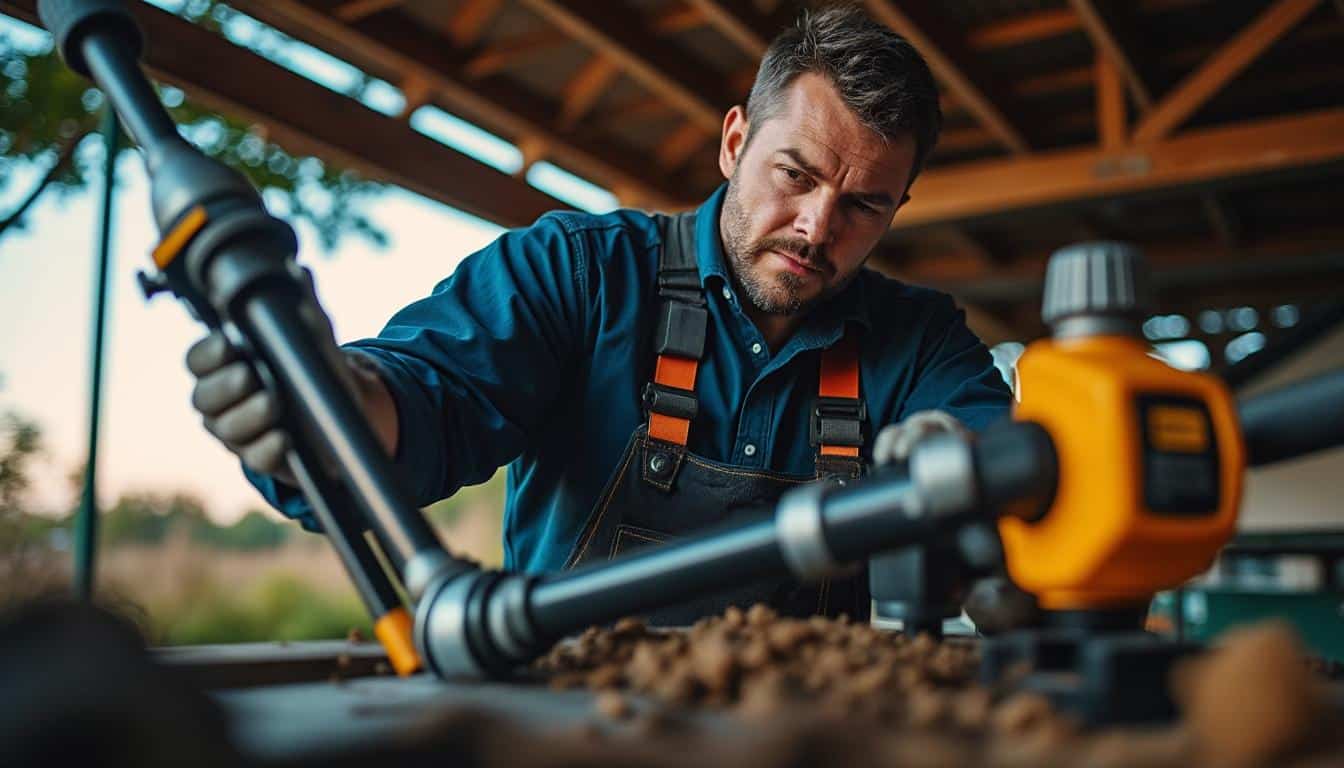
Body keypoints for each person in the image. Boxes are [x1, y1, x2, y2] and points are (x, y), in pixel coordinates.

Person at [186, 6, 1012, 624]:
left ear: (899, 206)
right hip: (572, 730)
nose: (817, 227)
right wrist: (326, 397)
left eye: (864, 205)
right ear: (734, 142)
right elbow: (424, 400)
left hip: (811, 739)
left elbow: (1002, 469)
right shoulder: (578, 275)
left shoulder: (921, 344)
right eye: (795, 175)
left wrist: (973, 476)